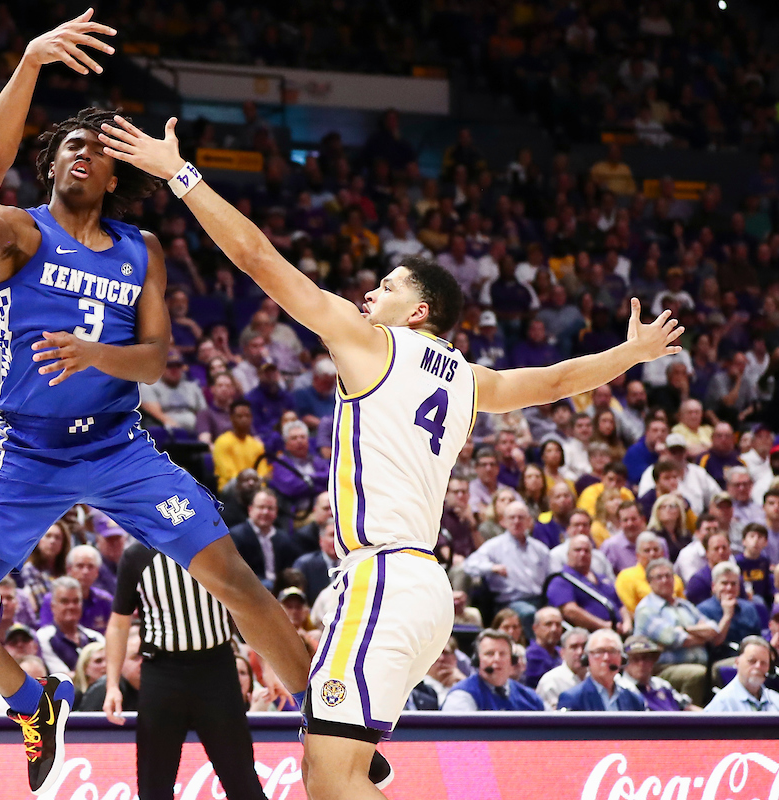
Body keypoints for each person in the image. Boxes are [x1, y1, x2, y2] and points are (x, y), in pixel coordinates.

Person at [101, 113, 684, 796]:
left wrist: (180, 174)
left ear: (417, 312)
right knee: (335, 769)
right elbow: (555, 382)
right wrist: (630, 353)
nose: (369, 292)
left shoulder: (370, 342)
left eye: (387, 286)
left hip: (382, 576)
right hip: (424, 590)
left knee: (330, 780)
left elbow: (259, 259)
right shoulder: (470, 379)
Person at [0, 84, 311, 800]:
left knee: (235, 579)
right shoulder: (20, 229)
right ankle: (34, 699)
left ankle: (328, 719)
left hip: (118, 448)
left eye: (96, 150)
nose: (82, 155)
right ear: (49, 164)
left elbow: (154, 360)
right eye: (70, 145)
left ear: (115, 175)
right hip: (30, 455)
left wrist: (95, 354)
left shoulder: (140, 249)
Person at [102, 543, 266, 800]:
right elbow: (119, 623)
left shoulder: (219, 543)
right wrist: (112, 684)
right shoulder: (137, 555)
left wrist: (269, 669)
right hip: (162, 673)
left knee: (243, 782)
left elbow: (252, 607)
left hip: (217, 670)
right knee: (153, 788)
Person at [634, 558, 728, 705]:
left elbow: (714, 629)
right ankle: (688, 717)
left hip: (703, 663)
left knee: (729, 667)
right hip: (663, 668)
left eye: (668, 576)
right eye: (659, 577)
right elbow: (673, 638)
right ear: (649, 582)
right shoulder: (646, 609)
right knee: (697, 674)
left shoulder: (685, 605)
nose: (665, 580)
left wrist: (685, 629)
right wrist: (702, 635)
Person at [463, 501, 551, 634]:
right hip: (510, 602)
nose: (516, 521)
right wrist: (491, 567)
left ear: (529, 521)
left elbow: (553, 574)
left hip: (539, 600)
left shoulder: (540, 549)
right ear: (503, 521)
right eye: (512, 517)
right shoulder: (494, 546)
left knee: (554, 612)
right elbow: (469, 565)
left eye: (521, 517)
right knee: (529, 613)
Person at [440, 629, 545, 711]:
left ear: (512, 660)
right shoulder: (462, 696)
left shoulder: (529, 697)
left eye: (502, 654)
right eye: (489, 654)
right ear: (477, 660)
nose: (497, 659)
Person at [229, 488, 301, 589]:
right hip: (249, 588)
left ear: (276, 511)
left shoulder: (284, 538)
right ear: (250, 509)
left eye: (270, 508)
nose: (265, 512)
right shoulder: (237, 536)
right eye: (261, 507)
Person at [557, 629, 645, 711]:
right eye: (599, 651)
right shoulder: (572, 698)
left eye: (612, 651)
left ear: (622, 658)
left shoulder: (635, 700)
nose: (606, 658)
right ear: (587, 658)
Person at [34, 577, 104, 674]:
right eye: (64, 601)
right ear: (53, 606)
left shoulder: (96, 637)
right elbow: (61, 676)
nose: (71, 606)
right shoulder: (44, 637)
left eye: (76, 601)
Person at [36, 545, 113, 632]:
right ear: (69, 569)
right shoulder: (53, 599)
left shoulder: (106, 600)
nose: (85, 572)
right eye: (80, 566)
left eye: (90, 566)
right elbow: (46, 632)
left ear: (97, 572)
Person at [618, 635, 695, 711]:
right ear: (624, 663)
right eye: (635, 659)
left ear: (652, 661)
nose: (641, 664)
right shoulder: (622, 690)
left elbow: (687, 707)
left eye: (645, 658)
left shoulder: (661, 685)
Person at [615, 532, 684, 616]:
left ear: (662, 553)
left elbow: (683, 605)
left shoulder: (673, 578)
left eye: (656, 549)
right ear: (638, 556)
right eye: (647, 551)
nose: (652, 554)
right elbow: (630, 611)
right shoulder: (626, 577)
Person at [703, 636, 779, 712]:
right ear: (737, 662)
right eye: (752, 661)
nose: (758, 666)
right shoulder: (723, 703)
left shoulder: (775, 700)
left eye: (763, 663)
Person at [535, 628, 589, 711]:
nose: (580, 652)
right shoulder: (551, 681)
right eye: (574, 647)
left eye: (584, 647)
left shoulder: (599, 677)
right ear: (562, 653)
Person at [523, 606, 564, 689]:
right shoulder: (530, 656)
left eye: (558, 624)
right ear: (535, 628)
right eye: (548, 624)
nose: (554, 629)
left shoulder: (562, 653)